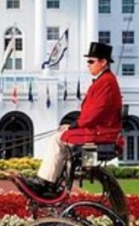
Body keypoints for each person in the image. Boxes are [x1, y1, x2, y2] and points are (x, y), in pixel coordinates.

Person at [18, 41, 123, 194]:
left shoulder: (105, 82)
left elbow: (94, 113)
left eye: (91, 61)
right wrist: (74, 125)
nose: (88, 65)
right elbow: (92, 113)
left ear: (103, 62)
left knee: (58, 139)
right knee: (61, 137)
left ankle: (46, 183)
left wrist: (74, 125)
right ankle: (51, 182)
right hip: (101, 130)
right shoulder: (104, 80)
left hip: (102, 133)